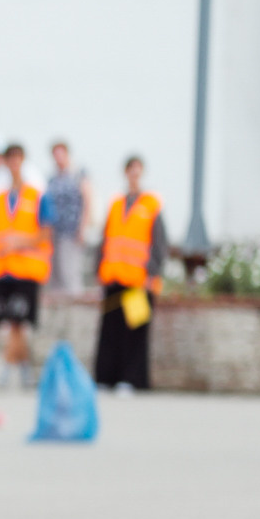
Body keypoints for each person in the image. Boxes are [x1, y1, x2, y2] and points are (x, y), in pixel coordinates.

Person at [92, 156, 167, 392]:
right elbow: (105, 238)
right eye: (130, 170)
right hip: (114, 277)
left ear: (141, 173)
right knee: (110, 331)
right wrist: (98, 267)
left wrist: (151, 272)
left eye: (137, 170)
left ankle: (132, 379)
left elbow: (159, 243)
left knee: (134, 332)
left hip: (138, 280)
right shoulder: (116, 203)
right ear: (125, 173)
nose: (133, 174)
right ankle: (106, 377)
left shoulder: (151, 204)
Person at [0, 143, 50, 388]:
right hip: (3, 269)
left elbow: (46, 232)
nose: (13, 163)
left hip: (27, 269)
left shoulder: (37, 196)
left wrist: (21, 242)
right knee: (12, 323)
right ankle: (24, 370)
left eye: (17, 158)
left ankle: (6, 367)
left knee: (19, 322)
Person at [40, 140, 91, 298]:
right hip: (54, 232)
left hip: (71, 231)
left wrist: (83, 228)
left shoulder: (78, 175)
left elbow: (88, 201)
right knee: (55, 274)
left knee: (70, 271)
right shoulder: (51, 179)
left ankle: (74, 306)